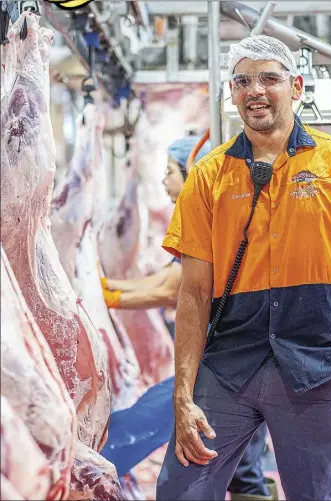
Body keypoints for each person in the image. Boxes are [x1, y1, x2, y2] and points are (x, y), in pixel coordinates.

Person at [155, 35, 331, 501]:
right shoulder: (207, 177)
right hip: (228, 367)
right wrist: (183, 393)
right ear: (232, 94)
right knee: (181, 493)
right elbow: (194, 294)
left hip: (314, 368)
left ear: (295, 86)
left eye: (269, 79)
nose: (255, 90)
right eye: (242, 81)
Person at [101, 135, 277, 501]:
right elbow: (169, 279)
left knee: (233, 463)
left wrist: (110, 296)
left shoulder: (210, 216)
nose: (164, 182)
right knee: (240, 464)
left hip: (234, 358)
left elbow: (171, 288)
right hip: (227, 358)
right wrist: (110, 289)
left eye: (169, 172)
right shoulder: (196, 220)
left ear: (190, 173)